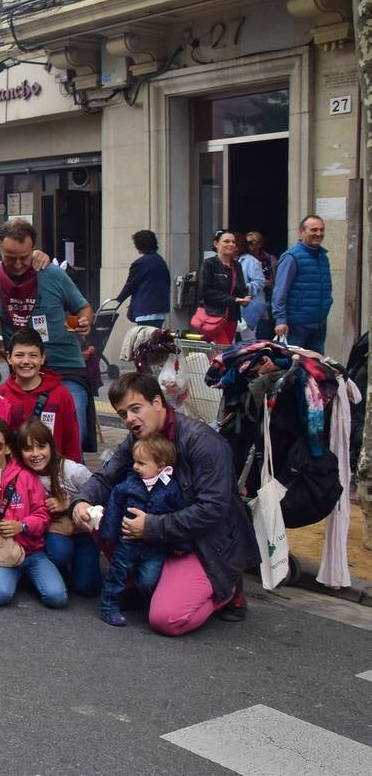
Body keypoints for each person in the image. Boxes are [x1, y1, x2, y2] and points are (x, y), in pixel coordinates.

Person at [71, 373, 258, 636]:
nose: (130, 420)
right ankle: (140, 586)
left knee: (166, 619)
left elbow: (213, 509)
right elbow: (106, 477)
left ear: (158, 402)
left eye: (136, 409)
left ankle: (226, 591)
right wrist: (81, 502)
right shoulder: (138, 438)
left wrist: (152, 526)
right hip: (162, 531)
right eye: (123, 414)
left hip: (205, 542)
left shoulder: (203, 441)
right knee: (98, 518)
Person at [0, 219, 93, 447]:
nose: (19, 264)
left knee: (73, 422)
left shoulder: (51, 274)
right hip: (23, 368)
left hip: (64, 365)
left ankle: (67, 476)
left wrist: (84, 322)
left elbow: (84, 307)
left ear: (34, 250)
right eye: (11, 258)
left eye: (25, 256)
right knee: (14, 432)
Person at [0, 418, 66, 609]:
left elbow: (43, 514)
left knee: (56, 598)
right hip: (0, 553)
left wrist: (22, 525)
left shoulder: (25, 475)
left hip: (32, 552)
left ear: (8, 448)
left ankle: (23, 577)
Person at [97, 433, 187, 627]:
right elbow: (114, 506)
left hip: (155, 547)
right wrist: (109, 533)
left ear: (161, 465)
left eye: (141, 463)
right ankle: (108, 606)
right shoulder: (128, 484)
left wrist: (181, 543)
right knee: (117, 573)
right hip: (127, 541)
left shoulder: (171, 488)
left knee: (149, 579)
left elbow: (179, 516)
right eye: (134, 461)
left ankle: (148, 603)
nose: (135, 466)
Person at [15, 420, 98, 597]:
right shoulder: (23, 475)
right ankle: (55, 572)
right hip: (55, 532)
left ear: (51, 447)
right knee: (59, 553)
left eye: (41, 446)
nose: (35, 454)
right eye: (28, 449)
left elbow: (100, 496)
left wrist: (70, 505)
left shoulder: (72, 470)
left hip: (84, 533)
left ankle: (78, 566)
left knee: (85, 587)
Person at [0, 327, 81, 463]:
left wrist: (72, 470)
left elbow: (72, 439)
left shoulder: (61, 394)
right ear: (9, 358)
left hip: (53, 473)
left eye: (33, 355)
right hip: (14, 475)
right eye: (19, 355)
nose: (26, 361)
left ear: (43, 358)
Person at [272, 215, 332, 352]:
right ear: (301, 232)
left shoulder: (323, 257)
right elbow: (280, 291)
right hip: (296, 325)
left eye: (322, 230)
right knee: (293, 366)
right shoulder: (291, 257)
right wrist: (280, 319)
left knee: (316, 366)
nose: (319, 233)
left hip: (319, 323)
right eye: (314, 230)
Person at [196, 229, 250, 346]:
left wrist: (245, 297)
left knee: (223, 351)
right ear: (216, 244)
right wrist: (233, 300)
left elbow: (241, 289)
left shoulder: (237, 265)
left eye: (233, 242)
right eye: (226, 241)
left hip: (232, 317)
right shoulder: (209, 264)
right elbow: (205, 292)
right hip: (213, 316)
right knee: (224, 350)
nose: (231, 245)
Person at [114, 229, 171, 330]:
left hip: (146, 308)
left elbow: (130, 285)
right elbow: (167, 282)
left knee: (145, 340)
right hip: (160, 308)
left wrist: (118, 300)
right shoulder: (160, 260)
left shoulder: (140, 263)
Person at [237, 242, 268, 344]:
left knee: (248, 339)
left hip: (249, 306)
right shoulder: (226, 261)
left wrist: (243, 288)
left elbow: (260, 282)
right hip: (233, 305)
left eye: (233, 242)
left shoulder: (250, 261)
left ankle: (249, 359)